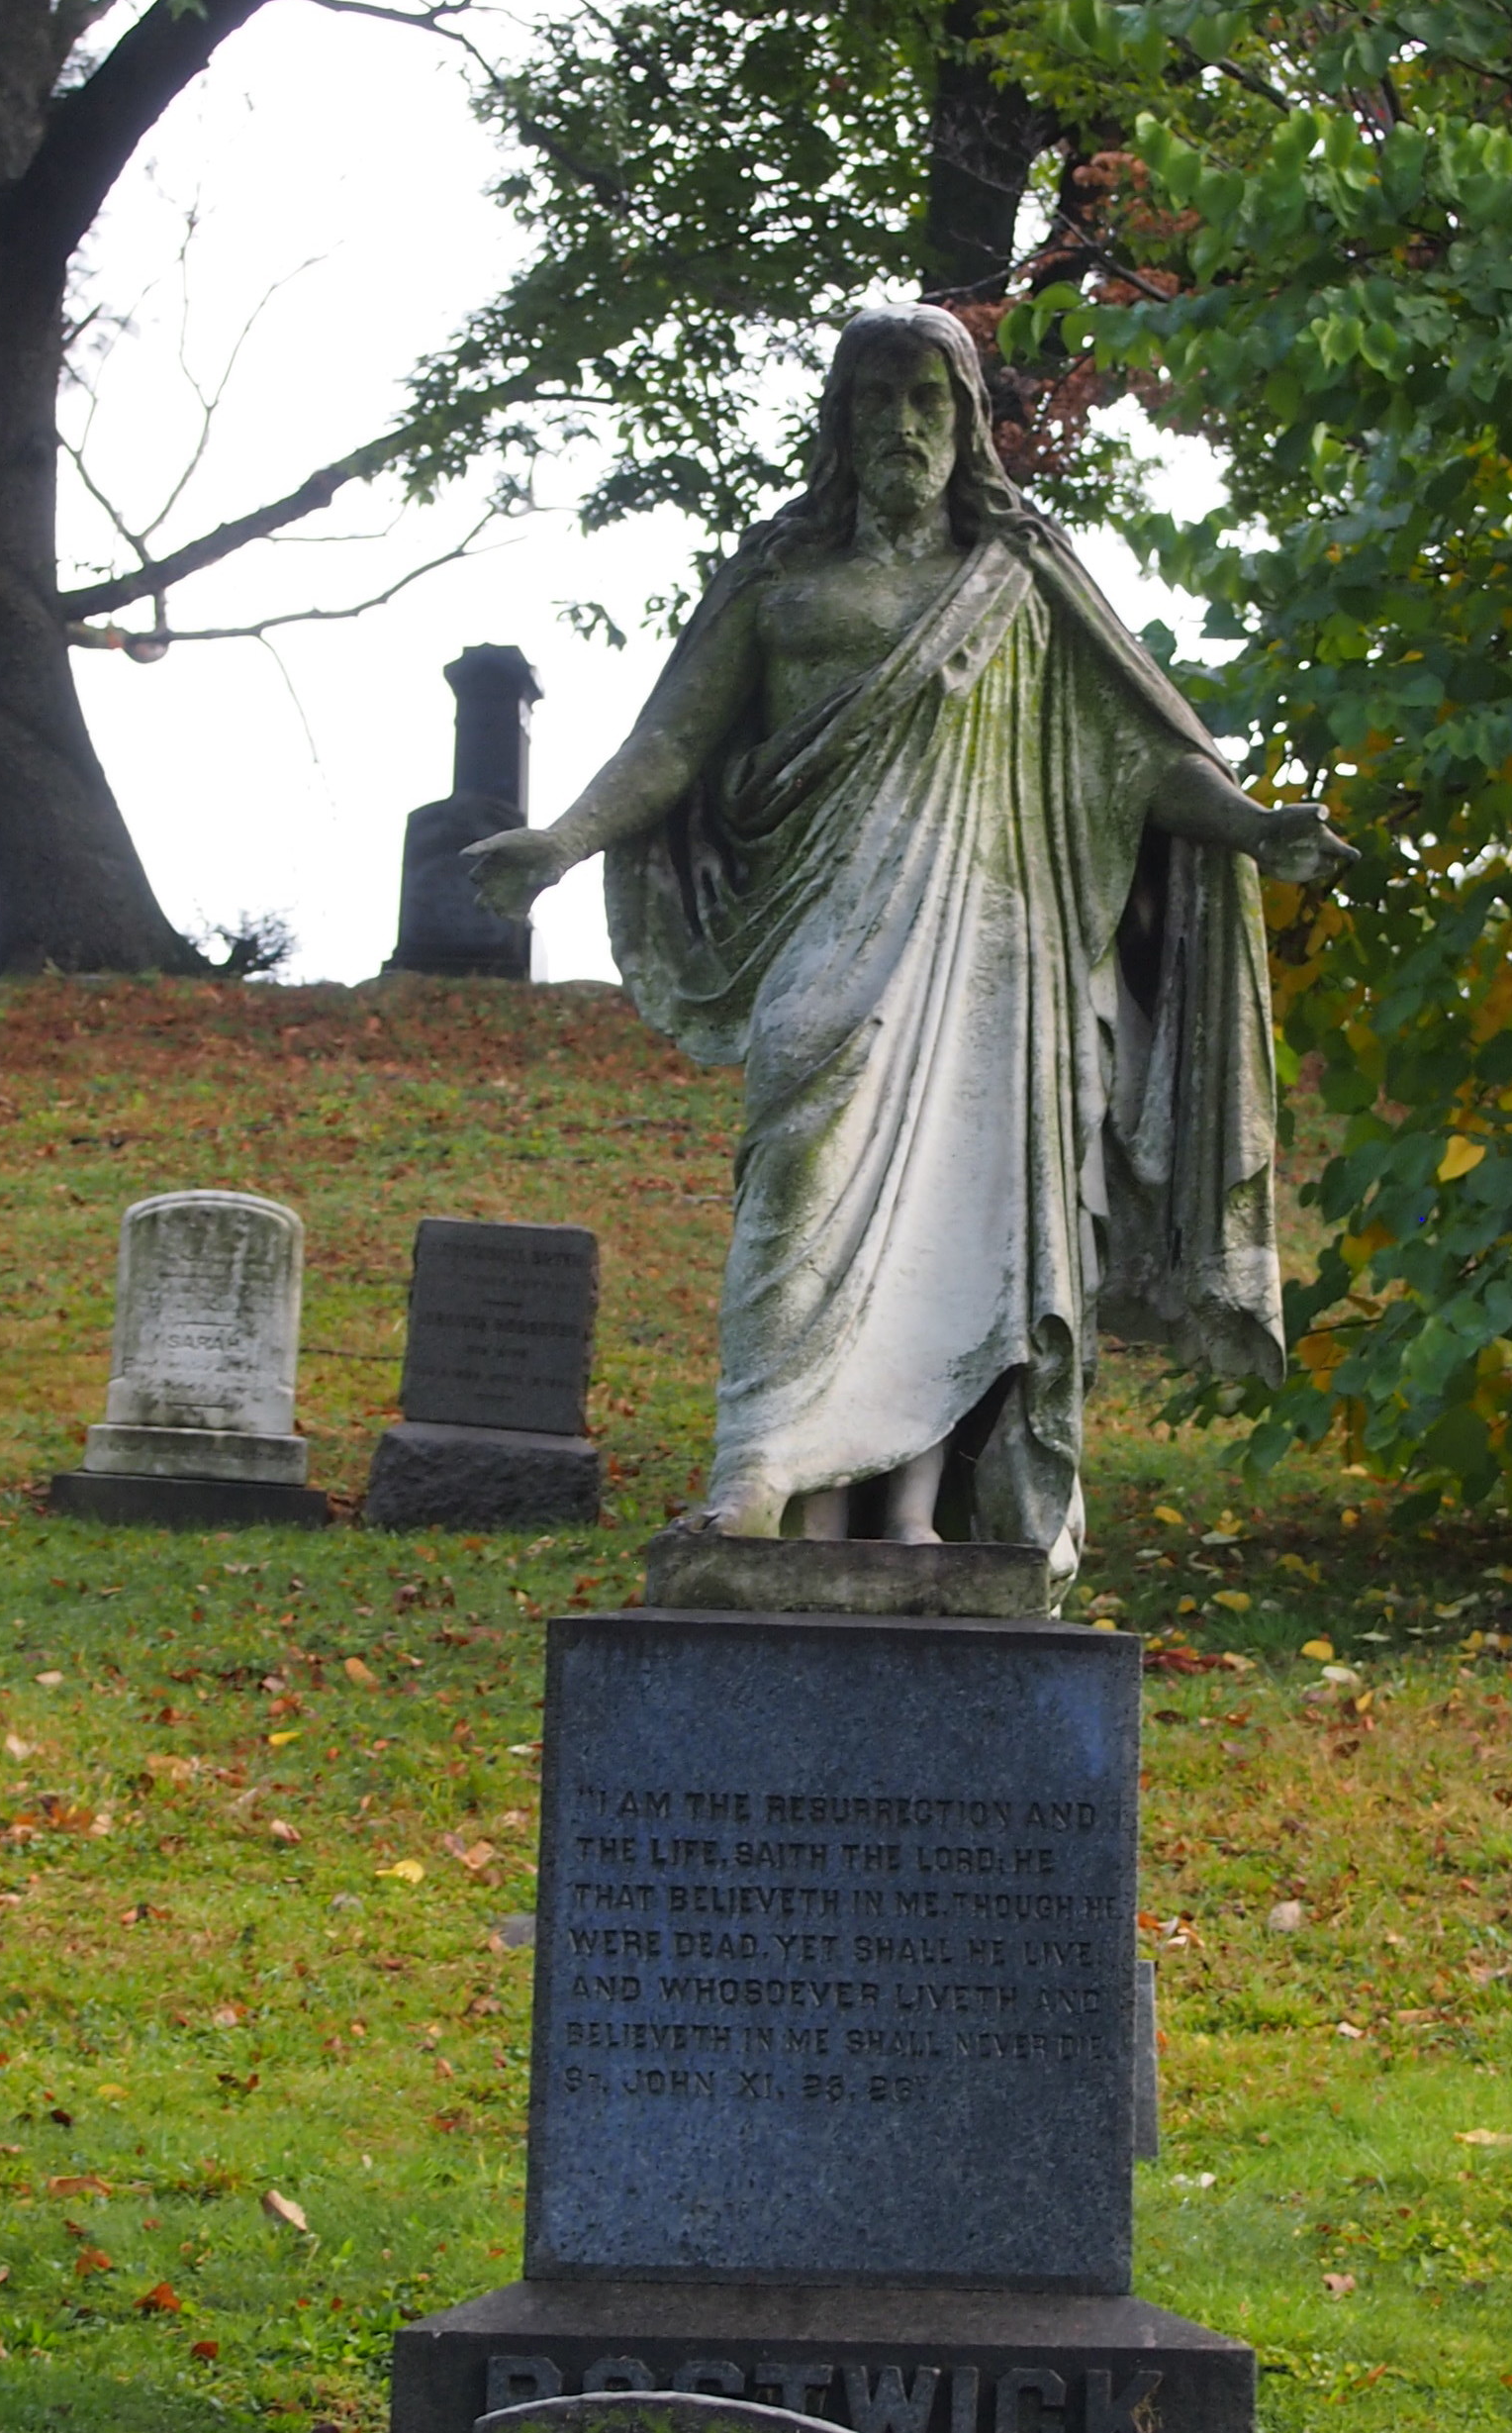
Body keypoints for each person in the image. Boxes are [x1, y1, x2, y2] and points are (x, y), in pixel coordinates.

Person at [468, 305, 1354, 1584]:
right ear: (839, 421)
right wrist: (556, 843)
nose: (903, 424)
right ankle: (759, 1468)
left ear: (970, 420)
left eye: (929, 399)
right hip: (828, 938)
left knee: (970, 1223)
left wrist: (1254, 823)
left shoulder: (1021, 580)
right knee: (801, 1165)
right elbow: (669, 743)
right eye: (876, 398)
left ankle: (909, 1518)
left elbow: (1143, 755)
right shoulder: (783, 582)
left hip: (995, 961)